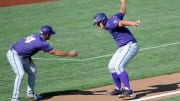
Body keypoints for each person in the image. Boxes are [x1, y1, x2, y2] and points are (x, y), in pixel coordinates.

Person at [7, 25, 78, 101]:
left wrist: (29, 57)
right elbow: (54, 52)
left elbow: (27, 46)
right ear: (47, 34)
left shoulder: (36, 35)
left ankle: (30, 94)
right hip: (14, 55)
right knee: (20, 74)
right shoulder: (42, 43)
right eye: (50, 34)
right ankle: (15, 98)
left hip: (24, 56)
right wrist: (69, 54)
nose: (51, 35)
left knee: (33, 71)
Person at [93, 0, 140, 97]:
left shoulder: (111, 24)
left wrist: (132, 23)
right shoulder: (113, 18)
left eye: (98, 23)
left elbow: (121, 23)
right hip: (123, 47)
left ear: (102, 21)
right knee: (111, 66)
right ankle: (119, 89)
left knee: (119, 66)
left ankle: (129, 90)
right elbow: (122, 12)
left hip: (130, 45)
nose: (98, 26)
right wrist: (123, 2)